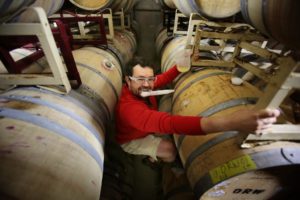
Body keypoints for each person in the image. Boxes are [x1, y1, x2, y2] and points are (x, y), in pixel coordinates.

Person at [115, 58, 280, 163]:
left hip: (144, 127)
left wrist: (180, 67)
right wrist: (231, 122)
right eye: (140, 80)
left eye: (150, 79)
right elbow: (169, 123)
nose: (147, 84)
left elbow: (162, 79)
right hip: (132, 139)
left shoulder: (142, 87)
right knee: (171, 150)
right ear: (128, 80)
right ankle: (158, 165)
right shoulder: (129, 109)